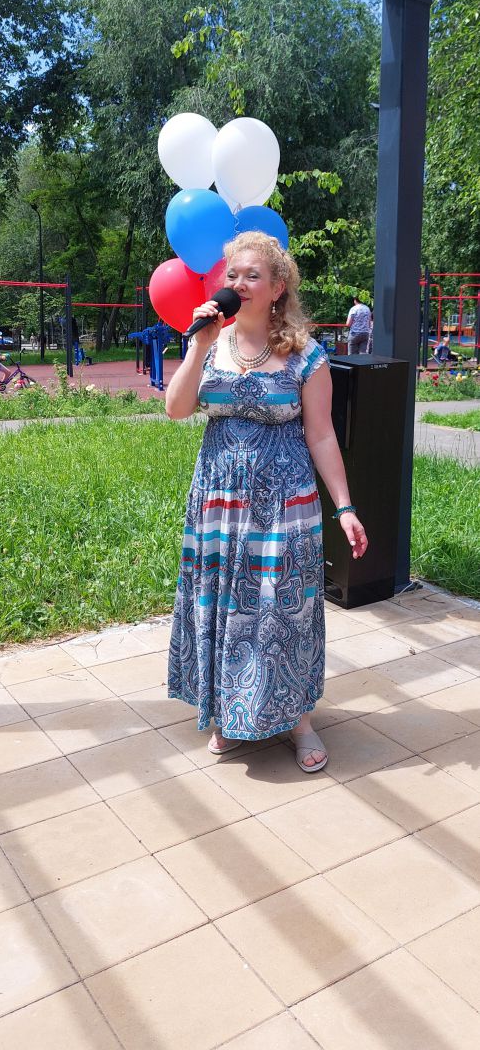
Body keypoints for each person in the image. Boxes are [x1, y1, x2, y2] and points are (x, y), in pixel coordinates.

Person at [166, 232, 367, 773]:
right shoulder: (211, 342)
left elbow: (321, 435)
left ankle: (300, 721)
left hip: (284, 501)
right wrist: (199, 345)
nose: (238, 284)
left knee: (281, 608)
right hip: (219, 499)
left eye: (252, 276)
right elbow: (176, 409)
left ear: (277, 288)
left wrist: (345, 507)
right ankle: (229, 710)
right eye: (232, 275)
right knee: (223, 602)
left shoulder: (305, 354)